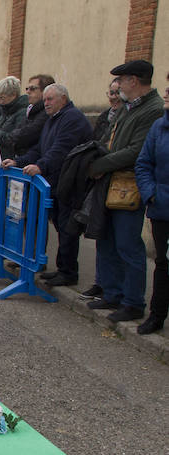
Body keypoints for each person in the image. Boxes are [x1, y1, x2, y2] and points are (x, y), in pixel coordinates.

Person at [85, 59, 164, 323]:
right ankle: (112, 292)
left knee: (128, 244)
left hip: (128, 186)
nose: (117, 85)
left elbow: (135, 151)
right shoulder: (129, 108)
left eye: (122, 80)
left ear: (134, 81)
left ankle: (133, 301)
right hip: (112, 183)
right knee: (106, 239)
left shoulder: (152, 109)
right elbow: (112, 141)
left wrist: (99, 164)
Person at [3, 83, 93, 286]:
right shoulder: (53, 120)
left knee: (67, 227)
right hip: (57, 182)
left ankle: (68, 271)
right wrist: (21, 161)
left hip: (71, 181)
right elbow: (40, 149)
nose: (46, 103)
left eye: (50, 99)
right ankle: (63, 268)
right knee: (61, 226)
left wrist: (41, 166)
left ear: (63, 98)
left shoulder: (72, 119)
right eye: (44, 100)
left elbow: (61, 150)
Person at [134, 72, 169, 334]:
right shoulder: (160, 126)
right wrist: (151, 193)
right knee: (162, 264)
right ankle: (157, 315)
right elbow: (144, 162)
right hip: (161, 208)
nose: (165, 93)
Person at [0, 76, 28, 159]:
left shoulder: (22, 113)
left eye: (2, 98)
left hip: (11, 159)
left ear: (13, 95)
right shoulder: (5, 111)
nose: (0, 102)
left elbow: (16, 139)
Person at [94, 78, 123, 142]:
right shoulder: (103, 117)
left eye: (118, 93)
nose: (114, 97)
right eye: (111, 93)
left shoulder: (127, 116)